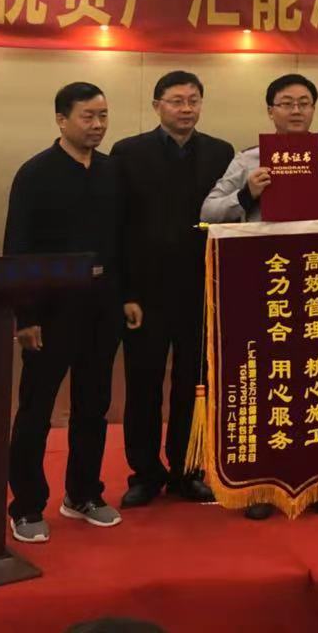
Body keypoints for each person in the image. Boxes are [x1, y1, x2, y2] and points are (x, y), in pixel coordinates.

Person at [201, 73, 318, 520]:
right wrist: (247, 193)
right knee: (269, 381)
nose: (296, 110)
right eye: (286, 103)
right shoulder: (247, 160)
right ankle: (261, 485)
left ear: (314, 109)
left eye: (304, 102)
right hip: (265, 285)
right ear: (270, 111)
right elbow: (208, 210)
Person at [4, 82, 127, 544]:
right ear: (61, 119)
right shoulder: (35, 173)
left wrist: (125, 297)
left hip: (101, 306)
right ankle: (26, 505)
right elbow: (17, 247)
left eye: (103, 116)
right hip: (51, 310)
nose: (97, 125)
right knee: (36, 409)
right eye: (87, 116)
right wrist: (25, 317)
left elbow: (123, 241)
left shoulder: (112, 172)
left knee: (93, 406)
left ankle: (82, 494)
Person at [112, 71, 235, 509]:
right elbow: (117, 226)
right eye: (176, 101)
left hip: (202, 290)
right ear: (157, 106)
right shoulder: (128, 153)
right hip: (145, 295)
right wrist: (125, 292)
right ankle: (145, 473)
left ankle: (188, 470)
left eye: (193, 100)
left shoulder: (221, 153)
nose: (186, 109)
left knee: (195, 385)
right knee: (143, 385)